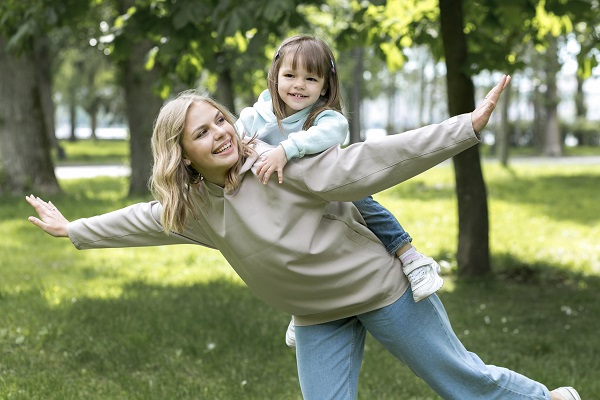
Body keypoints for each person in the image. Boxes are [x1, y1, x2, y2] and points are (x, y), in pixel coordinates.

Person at [26, 75, 581, 400]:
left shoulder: (278, 165)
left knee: (461, 380)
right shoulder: (195, 209)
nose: (221, 132)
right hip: (317, 318)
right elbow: (140, 220)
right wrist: (73, 229)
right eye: (203, 132)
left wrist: (467, 127)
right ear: (183, 154)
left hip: (381, 291)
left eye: (219, 120)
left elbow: (376, 159)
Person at [235, 34, 443, 348]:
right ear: (275, 77)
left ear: (325, 85)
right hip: (288, 200)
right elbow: (237, 140)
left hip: (331, 188)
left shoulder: (323, 116)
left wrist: (287, 149)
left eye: (310, 78)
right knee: (292, 249)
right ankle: (301, 306)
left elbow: (332, 133)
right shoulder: (257, 116)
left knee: (365, 202)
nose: (299, 85)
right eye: (290, 75)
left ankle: (410, 257)